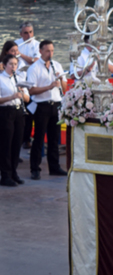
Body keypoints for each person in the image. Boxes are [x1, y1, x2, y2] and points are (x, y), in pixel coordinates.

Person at [26, 40, 68, 180]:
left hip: (55, 105)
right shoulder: (34, 68)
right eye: (47, 51)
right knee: (38, 138)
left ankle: (54, 167)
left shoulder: (57, 65)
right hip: (41, 106)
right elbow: (31, 90)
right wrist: (48, 87)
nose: (50, 53)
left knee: (54, 138)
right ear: (40, 51)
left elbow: (64, 88)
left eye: (52, 51)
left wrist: (61, 80)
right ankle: (35, 169)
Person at [0, 55, 29, 187]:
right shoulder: (0, 79)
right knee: (7, 144)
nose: (13, 67)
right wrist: (11, 96)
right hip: (6, 112)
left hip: (18, 112)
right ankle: (5, 175)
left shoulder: (19, 79)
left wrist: (22, 93)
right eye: (11, 64)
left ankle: (14, 172)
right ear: (4, 65)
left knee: (17, 143)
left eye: (15, 64)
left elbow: (27, 99)